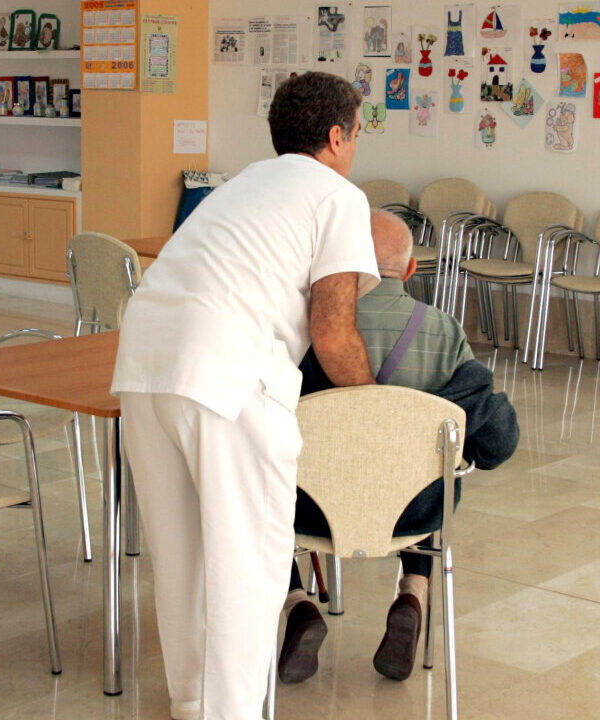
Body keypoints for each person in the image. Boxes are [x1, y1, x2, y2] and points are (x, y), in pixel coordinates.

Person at [111, 72, 381, 720]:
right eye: (358, 133)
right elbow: (333, 331)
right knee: (247, 568)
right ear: (338, 136)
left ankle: (192, 704)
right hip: (225, 377)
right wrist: (376, 409)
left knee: (182, 564)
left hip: (143, 362)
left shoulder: (241, 185)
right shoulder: (336, 196)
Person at [279, 210, 519, 684]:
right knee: (425, 464)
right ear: (410, 271)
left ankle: (297, 603)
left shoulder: (303, 330)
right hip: (413, 515)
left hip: (307, 512)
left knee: (263, 478)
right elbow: (498, 444)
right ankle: (412, 589)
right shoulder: (445, 332)